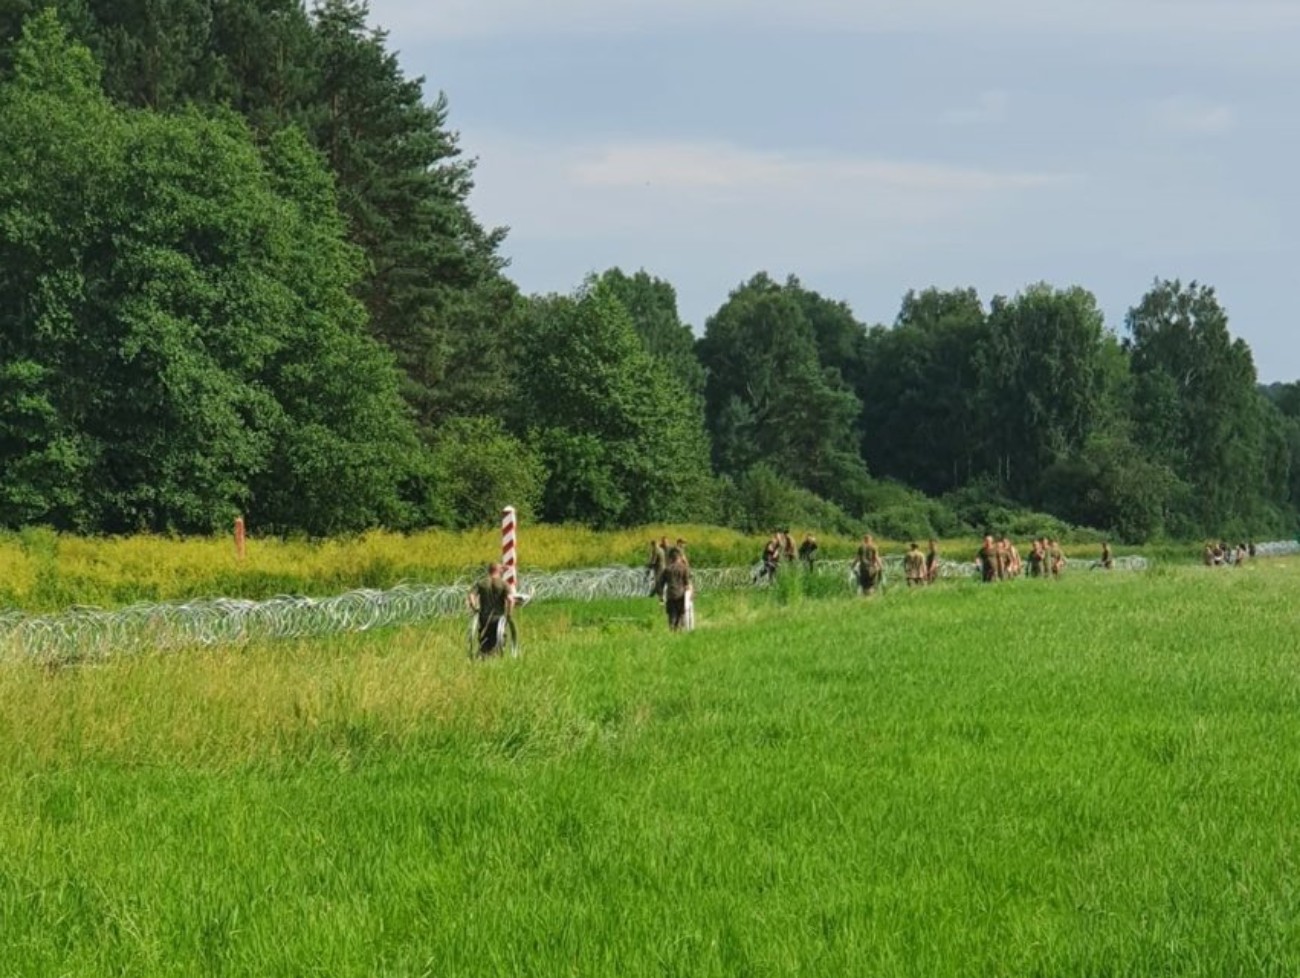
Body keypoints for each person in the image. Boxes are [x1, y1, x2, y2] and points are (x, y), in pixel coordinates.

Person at [467, 562, 515, 657]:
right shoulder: (503, 584)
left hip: (483, 616)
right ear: (498, 571)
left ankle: (483, 654)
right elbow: (510, 599)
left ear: (489, 570)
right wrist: (509, 614)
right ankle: (494, 655)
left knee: (484, 637)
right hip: (498, 617)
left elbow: (471, 595)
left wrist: (474, 607)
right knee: (498, 638)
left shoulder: (481, 583)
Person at [656, 547, 693, 631]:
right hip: (681, 595)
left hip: (670, 595)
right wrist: (690, 595)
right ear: (679, 557)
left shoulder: (667, 569)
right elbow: (687, 583)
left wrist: (661, 596)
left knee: (672, 616)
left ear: (671, 558)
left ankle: (672, 632)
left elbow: (660, 583)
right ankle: (679, 631)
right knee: (681, 615)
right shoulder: (684, 568)